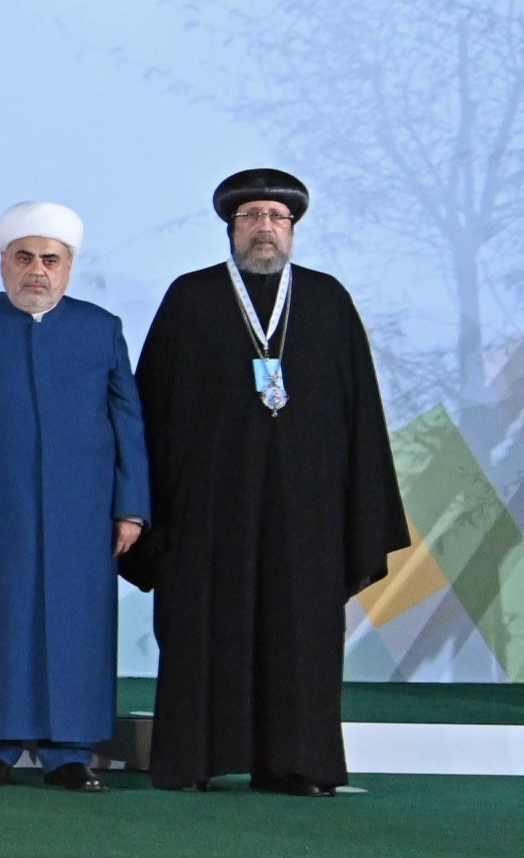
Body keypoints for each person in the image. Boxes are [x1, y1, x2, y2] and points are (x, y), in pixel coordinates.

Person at [125, 168, 411, 796]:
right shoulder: (190, 298)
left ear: (292, 229)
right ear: (231, 228)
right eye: (251, 217)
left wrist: (360, 514)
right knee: (204, 630)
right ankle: (193, 759)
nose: (264, 229)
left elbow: (360, 413)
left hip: (305, 515)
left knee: (299, 635)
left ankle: (296, 763)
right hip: (206, 512)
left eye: (276, 219)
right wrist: (143, 508)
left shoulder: (328, 300)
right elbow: (149, 410)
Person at [0, 202, 149, 791]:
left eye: (50, 260)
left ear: (69, 266)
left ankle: (69, 751)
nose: (37, 271)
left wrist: (131, 505)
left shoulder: (100, 328)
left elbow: (128, 420)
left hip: (82, 510)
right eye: (24, 257)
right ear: (3, 262)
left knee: (75, 624)